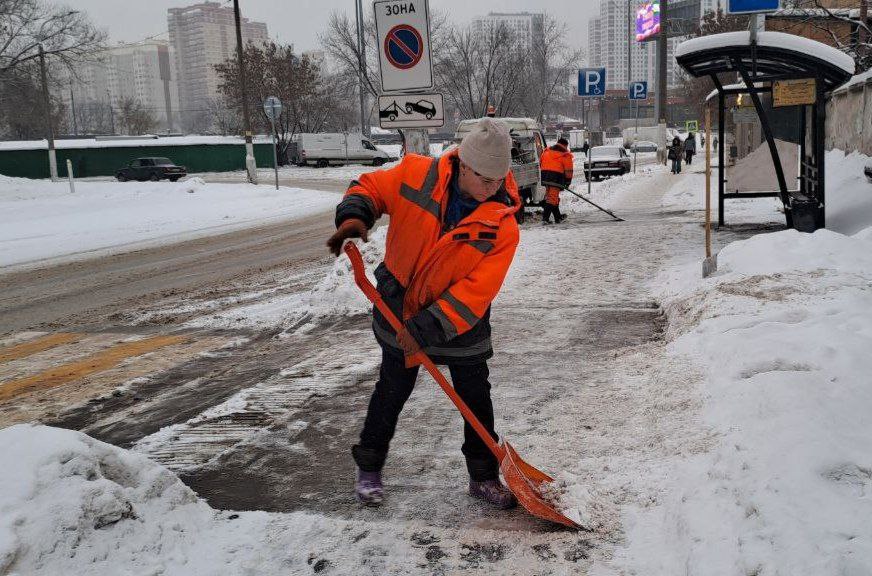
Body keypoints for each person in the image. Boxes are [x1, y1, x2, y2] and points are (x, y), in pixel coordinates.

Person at [326, 118, 521, 511]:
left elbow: (476, 291)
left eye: (499, 181)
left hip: (458, 322)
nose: (492, 189)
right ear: (463, 165)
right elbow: (371, 187)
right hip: (399, 308)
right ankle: (369, 468)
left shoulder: (503, 224)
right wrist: (355, 216)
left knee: (475, 396)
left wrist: (430, 325)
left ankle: (483, 477)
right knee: (391, 392)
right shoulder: (417, 174)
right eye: (484, 179)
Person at [539, 137, 574, 225]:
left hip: (545, 177)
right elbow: (569, 171)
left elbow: (540, 163)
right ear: (565, 145)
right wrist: (567, 182)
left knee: (552, 197)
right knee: (552, 198)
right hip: (556, 178)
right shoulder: (565, 155)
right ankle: (545, 219)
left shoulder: (546, 151)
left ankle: (558, 217)